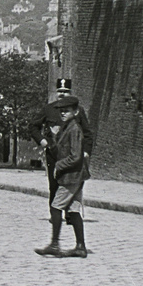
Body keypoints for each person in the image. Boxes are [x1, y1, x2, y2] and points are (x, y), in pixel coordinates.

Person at [30, 78, 92, 222]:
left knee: (71, 182)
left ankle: (70, 215)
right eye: (60, 91)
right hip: (53, 153)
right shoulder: (48, 109)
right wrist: (42, 141)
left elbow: (87, 133)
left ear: (70, 93)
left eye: (66, 92)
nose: (62, 94)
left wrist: (86, 151)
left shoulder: (77, 111)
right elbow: (33, 126)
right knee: (54, 183)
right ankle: (55, 215)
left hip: (71, 153)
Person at [35, 94, 89, 258]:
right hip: (74, 176)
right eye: (61, 111)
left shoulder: (74, 129)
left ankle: (55, 244)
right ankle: (80, 247)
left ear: (75, 112)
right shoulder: (67, 127)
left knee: (55, 207)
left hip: (71, 177)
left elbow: (75, 156)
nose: (63, 114)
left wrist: (58, 165)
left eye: (66, 111)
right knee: (73, 210)